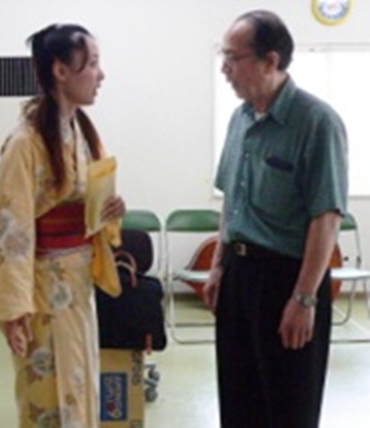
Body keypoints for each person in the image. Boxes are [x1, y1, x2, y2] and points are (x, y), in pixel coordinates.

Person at [203, 10, 348, 428]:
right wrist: (218, 266)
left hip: (288, 279)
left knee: (288, 407)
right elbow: (232, 200)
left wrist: (304, 299)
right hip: (238, 276)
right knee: (238, 401)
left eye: (233, 58)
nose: (225, 68)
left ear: (270, 60)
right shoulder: (241, 119)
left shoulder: (317, 123)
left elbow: (326, 217)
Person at [0, 23, 125, 427]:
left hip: (76, 287)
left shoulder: (82, 132)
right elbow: (10, 229)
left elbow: (90, 207)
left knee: (80, 387)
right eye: (92, 64)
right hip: (42, 290)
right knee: (47, 396)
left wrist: (107, 212)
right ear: (60, 70)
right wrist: (14, 309)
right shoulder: (25, 143)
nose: (100, 74)